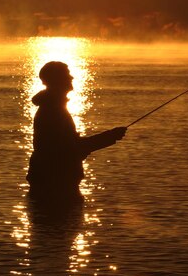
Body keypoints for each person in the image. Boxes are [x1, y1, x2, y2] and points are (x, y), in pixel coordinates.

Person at [27, 61, 126, 201]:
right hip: (56, 188)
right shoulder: (52, 111)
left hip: (55, 184)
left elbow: (69, 148)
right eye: (67, 75)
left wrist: (110, 137)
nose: (72, 77)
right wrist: (110, 137)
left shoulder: (54, 107)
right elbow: (68, 149)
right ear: (57, 80)